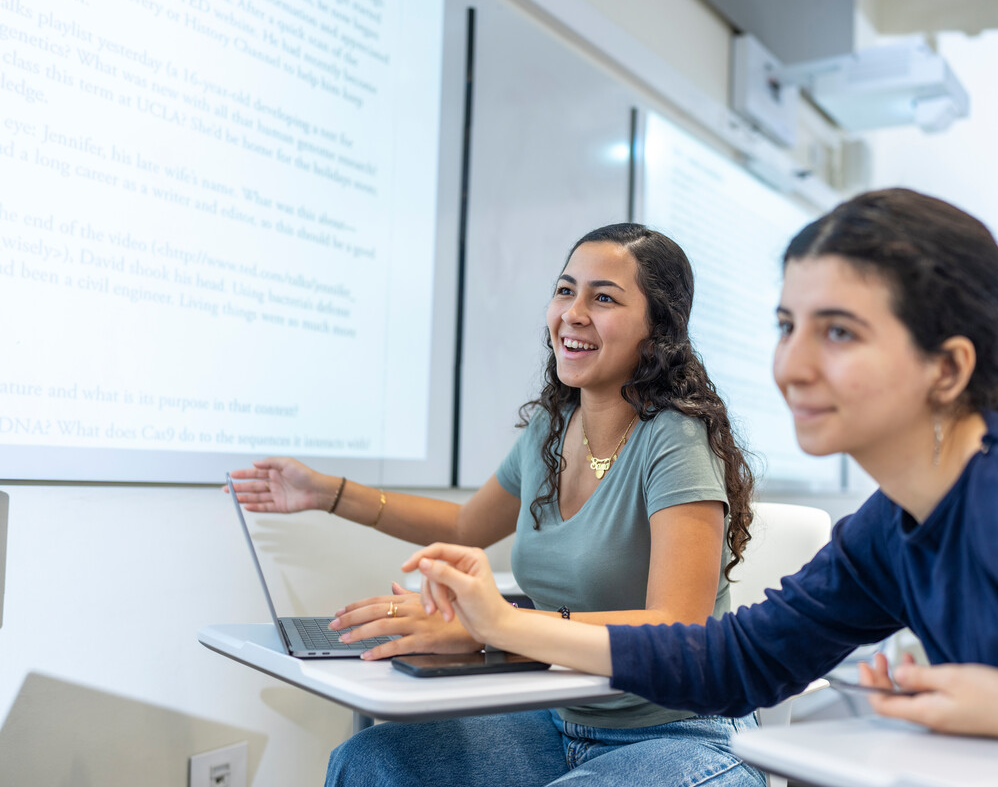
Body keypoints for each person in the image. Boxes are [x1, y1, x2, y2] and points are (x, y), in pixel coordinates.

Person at [405, 189, 998, 749]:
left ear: (948, 368)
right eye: (788, 325)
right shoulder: (891, 530)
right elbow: (737, 660)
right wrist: (504, 625)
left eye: (840, 333)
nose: (792, 365)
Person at [229, 222, 766, 787]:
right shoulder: (553, 428)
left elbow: (675, 625)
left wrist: (498, 625)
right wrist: (328, 493)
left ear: (657, 330)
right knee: (371, 763)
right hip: (561, 722)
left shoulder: (676, 439)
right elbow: (466, 524)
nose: (573, 313)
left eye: (603, 297)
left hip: (681, 733)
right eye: (565, 290)